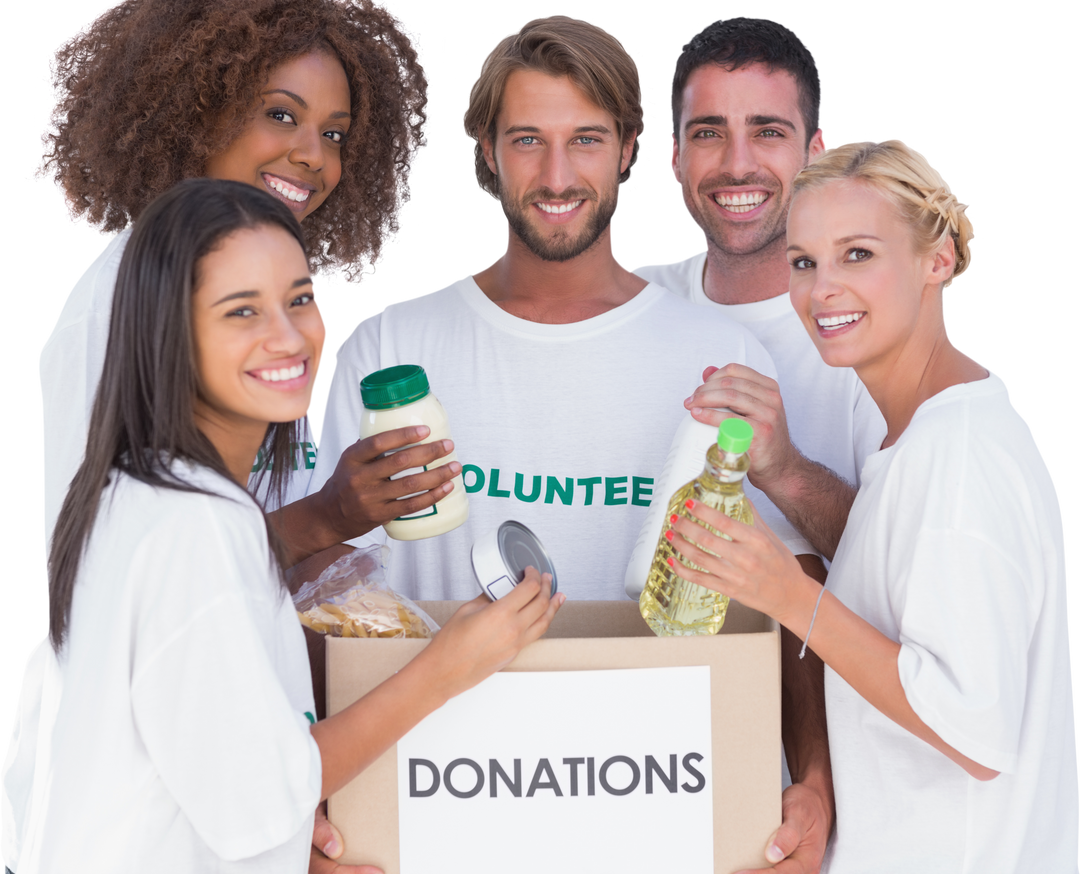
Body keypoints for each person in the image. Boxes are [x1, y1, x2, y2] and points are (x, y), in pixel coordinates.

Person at [307, 13, 830, 872]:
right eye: (527, 140)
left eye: (586, 139)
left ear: (631, 149)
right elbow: (332, 594)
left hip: (658, 812)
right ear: (486, 149)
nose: (557, 176)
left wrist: (814, 780)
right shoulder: (390, 349)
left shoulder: (720, 356)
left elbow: (780, 600)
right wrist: (319, 797)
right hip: (441, 812)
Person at [5, 178, 562, 874]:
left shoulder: (140, 488)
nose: (289, 334)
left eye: (299, 298)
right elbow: (262, 797)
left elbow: (214, 760)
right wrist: (449, 667)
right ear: (168, 333)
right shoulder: (194, 524)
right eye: (242, 312)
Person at [669, 138, 1075, 870]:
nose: (823, 289)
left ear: (938, 259)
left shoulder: (960, 455)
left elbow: (973, 732)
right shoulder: (922, 441)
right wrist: (783, 469)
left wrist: (787, 595)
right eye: (804, 261)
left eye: (858, 254)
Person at [35, 0, 454, 582]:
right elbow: (114, 570)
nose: (314, 155)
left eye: (334, 133)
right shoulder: (129, 287)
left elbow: (268, 551)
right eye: (281, 115)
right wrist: (330, 515)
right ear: (198, 112)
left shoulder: (274, 313)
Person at [632, 18, 888, 864]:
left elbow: (904, 574)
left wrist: (787, 470)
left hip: (821, 793)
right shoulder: (636, 304)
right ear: (673, 155)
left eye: (767, 133)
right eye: (709, 133)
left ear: (815, 150)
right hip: (635, 765)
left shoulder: (870, 336)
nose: (736, 165)